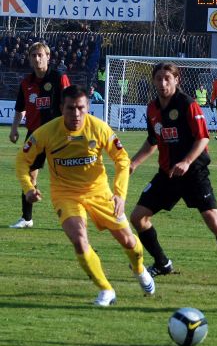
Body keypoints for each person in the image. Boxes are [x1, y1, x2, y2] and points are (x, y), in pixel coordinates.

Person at [15, 85, 155, 306]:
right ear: (61, 108)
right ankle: (106, 290)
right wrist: (28, 188)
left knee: (129, 242)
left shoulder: (99, 128)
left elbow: (122, 159)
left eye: (81, 108)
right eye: (71, 108)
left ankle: (138, 268)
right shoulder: (45, 132)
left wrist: (120, 194)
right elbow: (22, 161)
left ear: (88, 107)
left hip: (100, 193)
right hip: (65, 195)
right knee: (80, 240)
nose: (76, 113)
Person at [129, 62, 217, 288]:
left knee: (214, 221)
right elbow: (153, 141)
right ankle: (163, 263)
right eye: (159, 79)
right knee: (138, 217)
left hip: (194, 173)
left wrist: (186, 161)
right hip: (168, 175)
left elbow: (203, 137)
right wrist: (133, 163)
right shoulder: (152, 108)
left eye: (168, 78)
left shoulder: (187, 104)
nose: (163, 83)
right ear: (154, 81)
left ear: (176, 80)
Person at [9, 42, 71, 229]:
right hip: (34, 135)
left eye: (40, 55)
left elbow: (70, 104)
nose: (37, 58)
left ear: (48, 57)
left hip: (58, 134)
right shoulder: (26, 83)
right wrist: (14, 128)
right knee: (28, 175)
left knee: (65, 176)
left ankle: (72, 217)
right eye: (33, 55)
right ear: (29, 59)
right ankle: (26, 219)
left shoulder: (59, 77)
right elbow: (20, 108)